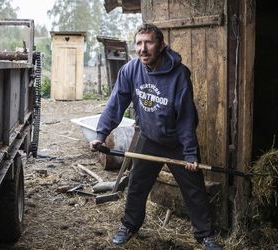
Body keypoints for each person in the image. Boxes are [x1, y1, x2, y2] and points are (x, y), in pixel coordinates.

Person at [90, 23, 222, 250]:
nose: (143, 48)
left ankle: (205, 235)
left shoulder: (179, 74)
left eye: (148, 42)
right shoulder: (131, 70)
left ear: (161, 45)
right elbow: (115, 104)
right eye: (139, 43)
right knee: (137, 185)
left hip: (177, 143)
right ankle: (129, 226)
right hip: (148, 138)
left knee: (194, 189)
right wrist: (101, 134)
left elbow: (186, 118)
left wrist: (190, 153)